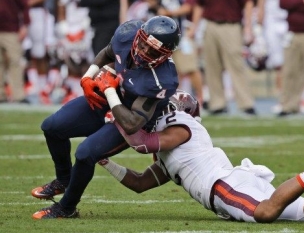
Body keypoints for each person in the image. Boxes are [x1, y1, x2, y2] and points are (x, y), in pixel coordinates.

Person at [99, 89, 304, 223]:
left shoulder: (180, 129)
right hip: (235, 180)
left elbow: (141, 142)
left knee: (265, 214)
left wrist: (116, 117)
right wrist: (107, 162)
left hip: (222, 186)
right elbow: (140, 182)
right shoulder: (172, 153)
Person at [31, 15, 181, 219]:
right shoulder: (128, 33)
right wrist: (88, 76)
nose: (143, 52)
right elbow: (109, 52)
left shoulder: (162, 79)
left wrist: (109, 89)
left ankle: (67, 208)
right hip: (110, 97)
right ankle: (64, 180)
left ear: (165, 55)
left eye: (152, 51)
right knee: (52, 127)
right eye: (143, 44)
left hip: (130, 119)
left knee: (85, 154)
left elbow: (131, 124)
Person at [188, 0, 257, 116]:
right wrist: (194, 27)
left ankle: (246, 104)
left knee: (236, 65)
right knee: (212, 66)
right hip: (210, 25)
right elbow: (199, 5)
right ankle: (217, 104)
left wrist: (248, 27)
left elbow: (248, 3)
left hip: (231, 25)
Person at [0, 0, 30, 103]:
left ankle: (18, 96)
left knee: (15, 61)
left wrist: (25, 25)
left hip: (11, 29)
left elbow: (24, 5)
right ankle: (1, 95)